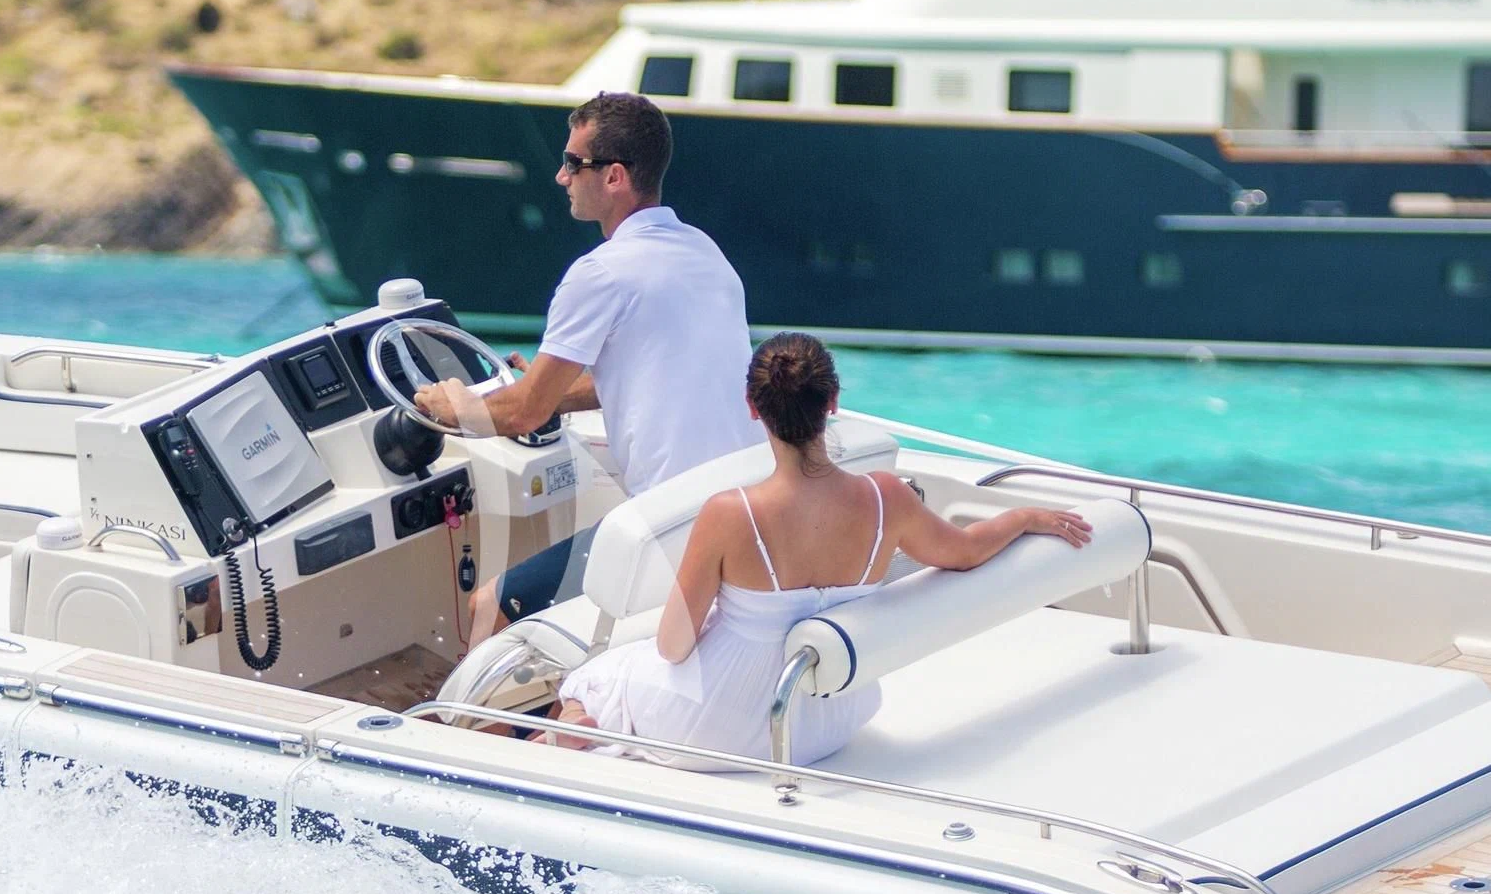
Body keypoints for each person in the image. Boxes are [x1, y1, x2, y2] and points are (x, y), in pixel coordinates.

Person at [555, 334, 1095, 765]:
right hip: (833, 713)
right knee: (616, 687)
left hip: (725, 724)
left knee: (595, 679)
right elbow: (967, 551)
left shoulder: (729, 513)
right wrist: (1025, 517)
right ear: (832, 402)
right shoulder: (886, 498)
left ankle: (568, 736)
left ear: (752, 408)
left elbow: (673, 647)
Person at [413, 89, 757, 645]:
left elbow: (524, 413)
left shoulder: (600, 273)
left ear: (615, 176)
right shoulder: (703, 251)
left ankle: (483, 732)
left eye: (573, 163)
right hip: (741, 501)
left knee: (487, 610)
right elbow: (640, 375)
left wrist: (451, 407)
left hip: (676, 525)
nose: (560, 176)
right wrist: (551, 390)